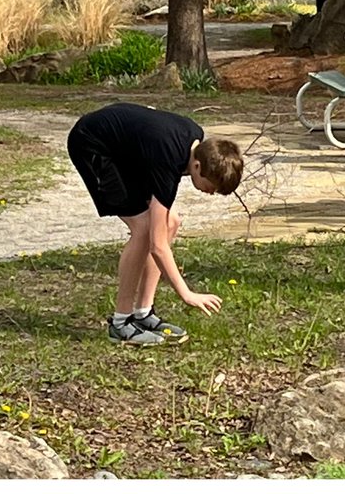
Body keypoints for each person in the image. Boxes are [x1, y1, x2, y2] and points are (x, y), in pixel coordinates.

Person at [67, 103, 243, 346]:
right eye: (211, 186)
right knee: (143, 229)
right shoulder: (169, 157)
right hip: (92, 143)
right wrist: (186, 294)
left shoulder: (194, 141)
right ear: (197, 166)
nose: (211, 193)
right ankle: (120, 323)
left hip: (125, 151)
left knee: (171, 222)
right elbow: (157, 246)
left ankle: (143, 313)